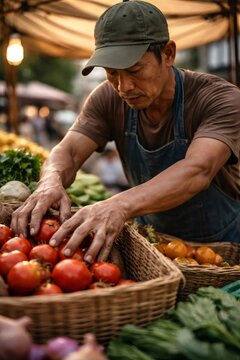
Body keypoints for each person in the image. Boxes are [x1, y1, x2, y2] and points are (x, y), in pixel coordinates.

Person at [11, 0, 240, 265]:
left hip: (221, 254)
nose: (123, 86)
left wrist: (118, 205)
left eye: (134, 70)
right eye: (111, 73)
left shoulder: (219, 99)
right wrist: (50, 180)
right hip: (153, 247)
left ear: (168, 54)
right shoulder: (107, 98)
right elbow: (70, 151)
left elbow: (197, 170)